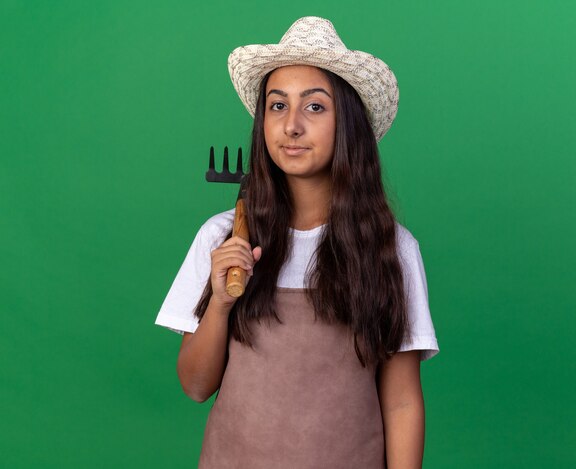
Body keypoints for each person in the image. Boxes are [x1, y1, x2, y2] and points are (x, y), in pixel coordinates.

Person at [155, 16, 439, 469]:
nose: (291, 126)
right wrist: (221, 305)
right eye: (277, 105)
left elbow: (402, 401)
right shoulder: (223, 237)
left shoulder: (389, 248)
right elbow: (195, 385)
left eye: (314, 107)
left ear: (347, 123)